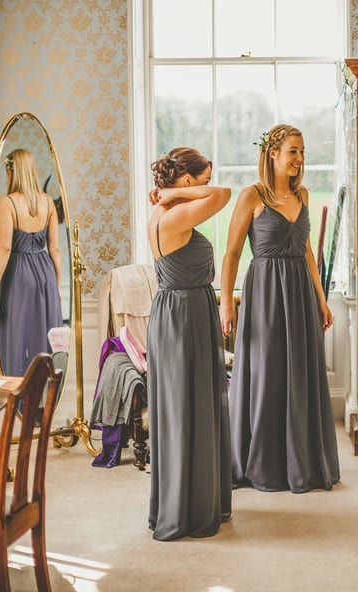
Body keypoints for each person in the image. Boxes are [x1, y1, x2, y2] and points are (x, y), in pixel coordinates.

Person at [221, 123, 340, 493]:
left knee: (299, 374)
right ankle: (263, 462)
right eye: (293, 151)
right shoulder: (251, 196)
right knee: (267, 373)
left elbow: (306, 253)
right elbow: (232, 253)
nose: (300, 159)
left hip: (300, 294)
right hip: (266, 293)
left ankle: (301, 461)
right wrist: (227, 302)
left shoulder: (302, 195)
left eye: (302, 152)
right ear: (273, 153)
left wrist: (321, 299)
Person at [145, 147, 232, 539]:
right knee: (187, 407)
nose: (207, 186)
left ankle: (190, 499)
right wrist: (173, 196)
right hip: (185, 313)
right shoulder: (175, 213)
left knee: (187, 406)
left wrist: (171, 195)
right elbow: (224, 195)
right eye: (202, 179)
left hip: (177, 309)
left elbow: (215, 192)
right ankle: (188, 510)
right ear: (186, 180)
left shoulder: (164, 212)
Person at [0, 148, 63, 377]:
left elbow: (4, 248)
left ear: (12, 172)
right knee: (42, 335)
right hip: (45, 274)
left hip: (17, 275)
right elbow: (55, 248)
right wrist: (56, 285)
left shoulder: (7, 203)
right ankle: (42, 397)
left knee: (16, 334)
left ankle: (18, 397)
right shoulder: (48, 203)